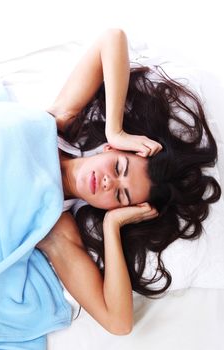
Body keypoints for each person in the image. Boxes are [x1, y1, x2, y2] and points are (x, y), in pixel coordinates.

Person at [36, 29, 221, 335]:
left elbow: (118, 322)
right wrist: (115, 129)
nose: (109, 182)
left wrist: (112, 227)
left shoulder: (57, 228)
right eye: (120, 167)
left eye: (120, 197)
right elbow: (112, 38)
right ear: (111, 149)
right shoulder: (56, 122)